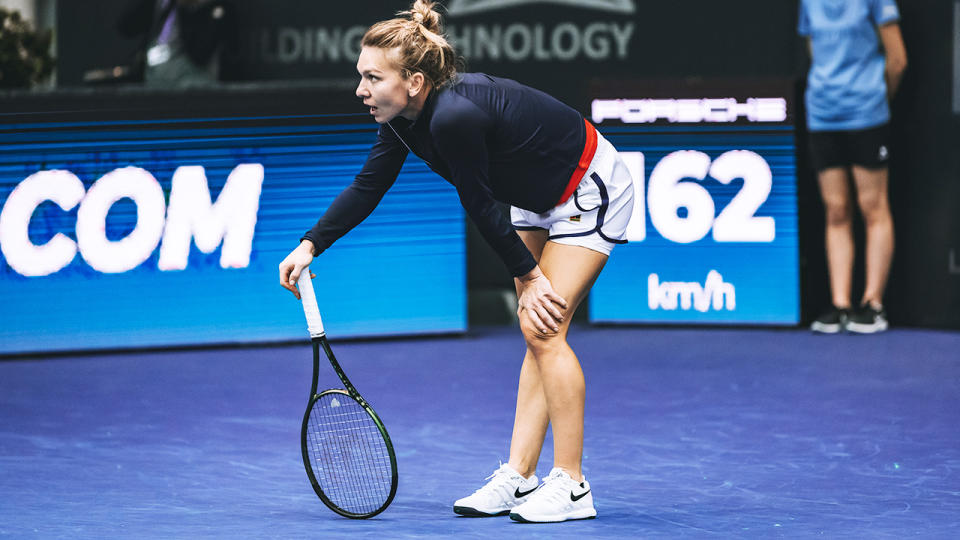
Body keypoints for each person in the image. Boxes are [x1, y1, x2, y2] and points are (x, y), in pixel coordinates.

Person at [278, 0, 633, 523]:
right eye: (361, 76)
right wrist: (310, 244)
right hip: (535, 191)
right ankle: (519, 476)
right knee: (537, 331)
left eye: (373, 78)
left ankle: (574, 485)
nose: (361, 90)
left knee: (546, 329)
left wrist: (532, 277)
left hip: (588, 187)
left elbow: (480, 205)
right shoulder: (403, 119)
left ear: (415, 82)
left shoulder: (454, 118)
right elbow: (368, 185)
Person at [799, 0, 907, 334]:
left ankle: (872, 303)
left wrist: (876, 99)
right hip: (822, 113)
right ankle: (840, 303)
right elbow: (814, 51)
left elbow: (898, 60)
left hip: (867, 113)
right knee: (836, 209)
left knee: (872, 206)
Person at [117, 0, 232, 88]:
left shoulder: (213, 6)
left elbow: (200, 53)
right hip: (155, 84)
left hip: (194, 87)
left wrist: (187, 10)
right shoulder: (163, 4)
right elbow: (126, 27)